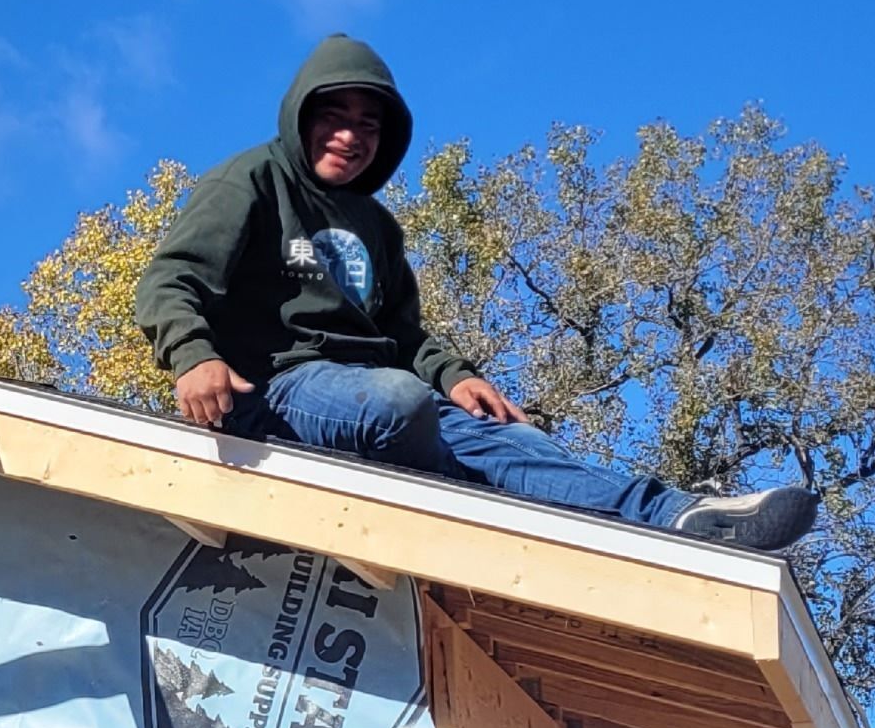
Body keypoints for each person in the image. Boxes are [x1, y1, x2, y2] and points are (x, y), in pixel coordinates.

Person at [131, 34, 819, 553]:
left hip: (371, 390)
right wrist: (192, 355)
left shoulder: (376, 226)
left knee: (514, 438)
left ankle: (678, 516)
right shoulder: (252, 180)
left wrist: (457, 377)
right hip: (275, 389)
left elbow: (404, 336)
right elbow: (170, 277)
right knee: (398, 405)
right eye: (333, 115)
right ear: (300, 114)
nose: (349, 135)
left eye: (368, 125)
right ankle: (477, 498)